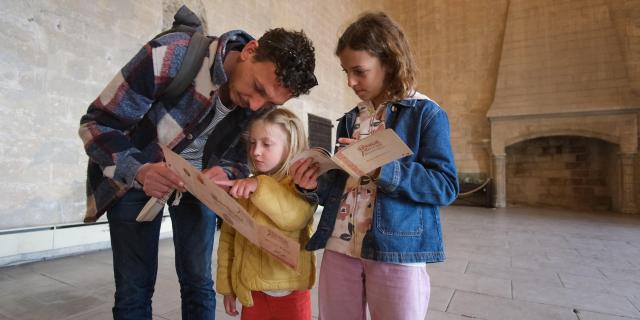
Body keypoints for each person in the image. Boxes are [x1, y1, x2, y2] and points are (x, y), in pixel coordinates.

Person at [78, 23, 317, 319]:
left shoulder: (259, 102)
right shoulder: (173, 54)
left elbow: (241, 159)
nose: (257, 105)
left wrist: (225, 172)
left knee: (199, 283)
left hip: (198, 188)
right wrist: (140, 170)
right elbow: (96, 124)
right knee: (133, 288)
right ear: (250, 51)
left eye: (270, 102)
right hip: (136, 176)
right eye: (257, 89)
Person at [290, 11, 458, 320]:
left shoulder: (426, 114)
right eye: (345, 71)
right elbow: (342, 187)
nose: (350, 82)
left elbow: (445, 186)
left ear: (390, 62)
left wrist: (383, 168)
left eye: (359, 71)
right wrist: (314, 184)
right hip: (340, 247)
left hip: (396, 251)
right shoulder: (350, 119)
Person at [215, 108, 316, 320]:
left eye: (266, 144)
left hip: (291, 293)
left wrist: (258, 185)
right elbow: (228, 239)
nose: (255, 151)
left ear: (291, 146)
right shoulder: (245, 187)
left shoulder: (302, 186)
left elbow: (294, 217)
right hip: (252, 292)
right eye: (252, 143)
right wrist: (227, 286)